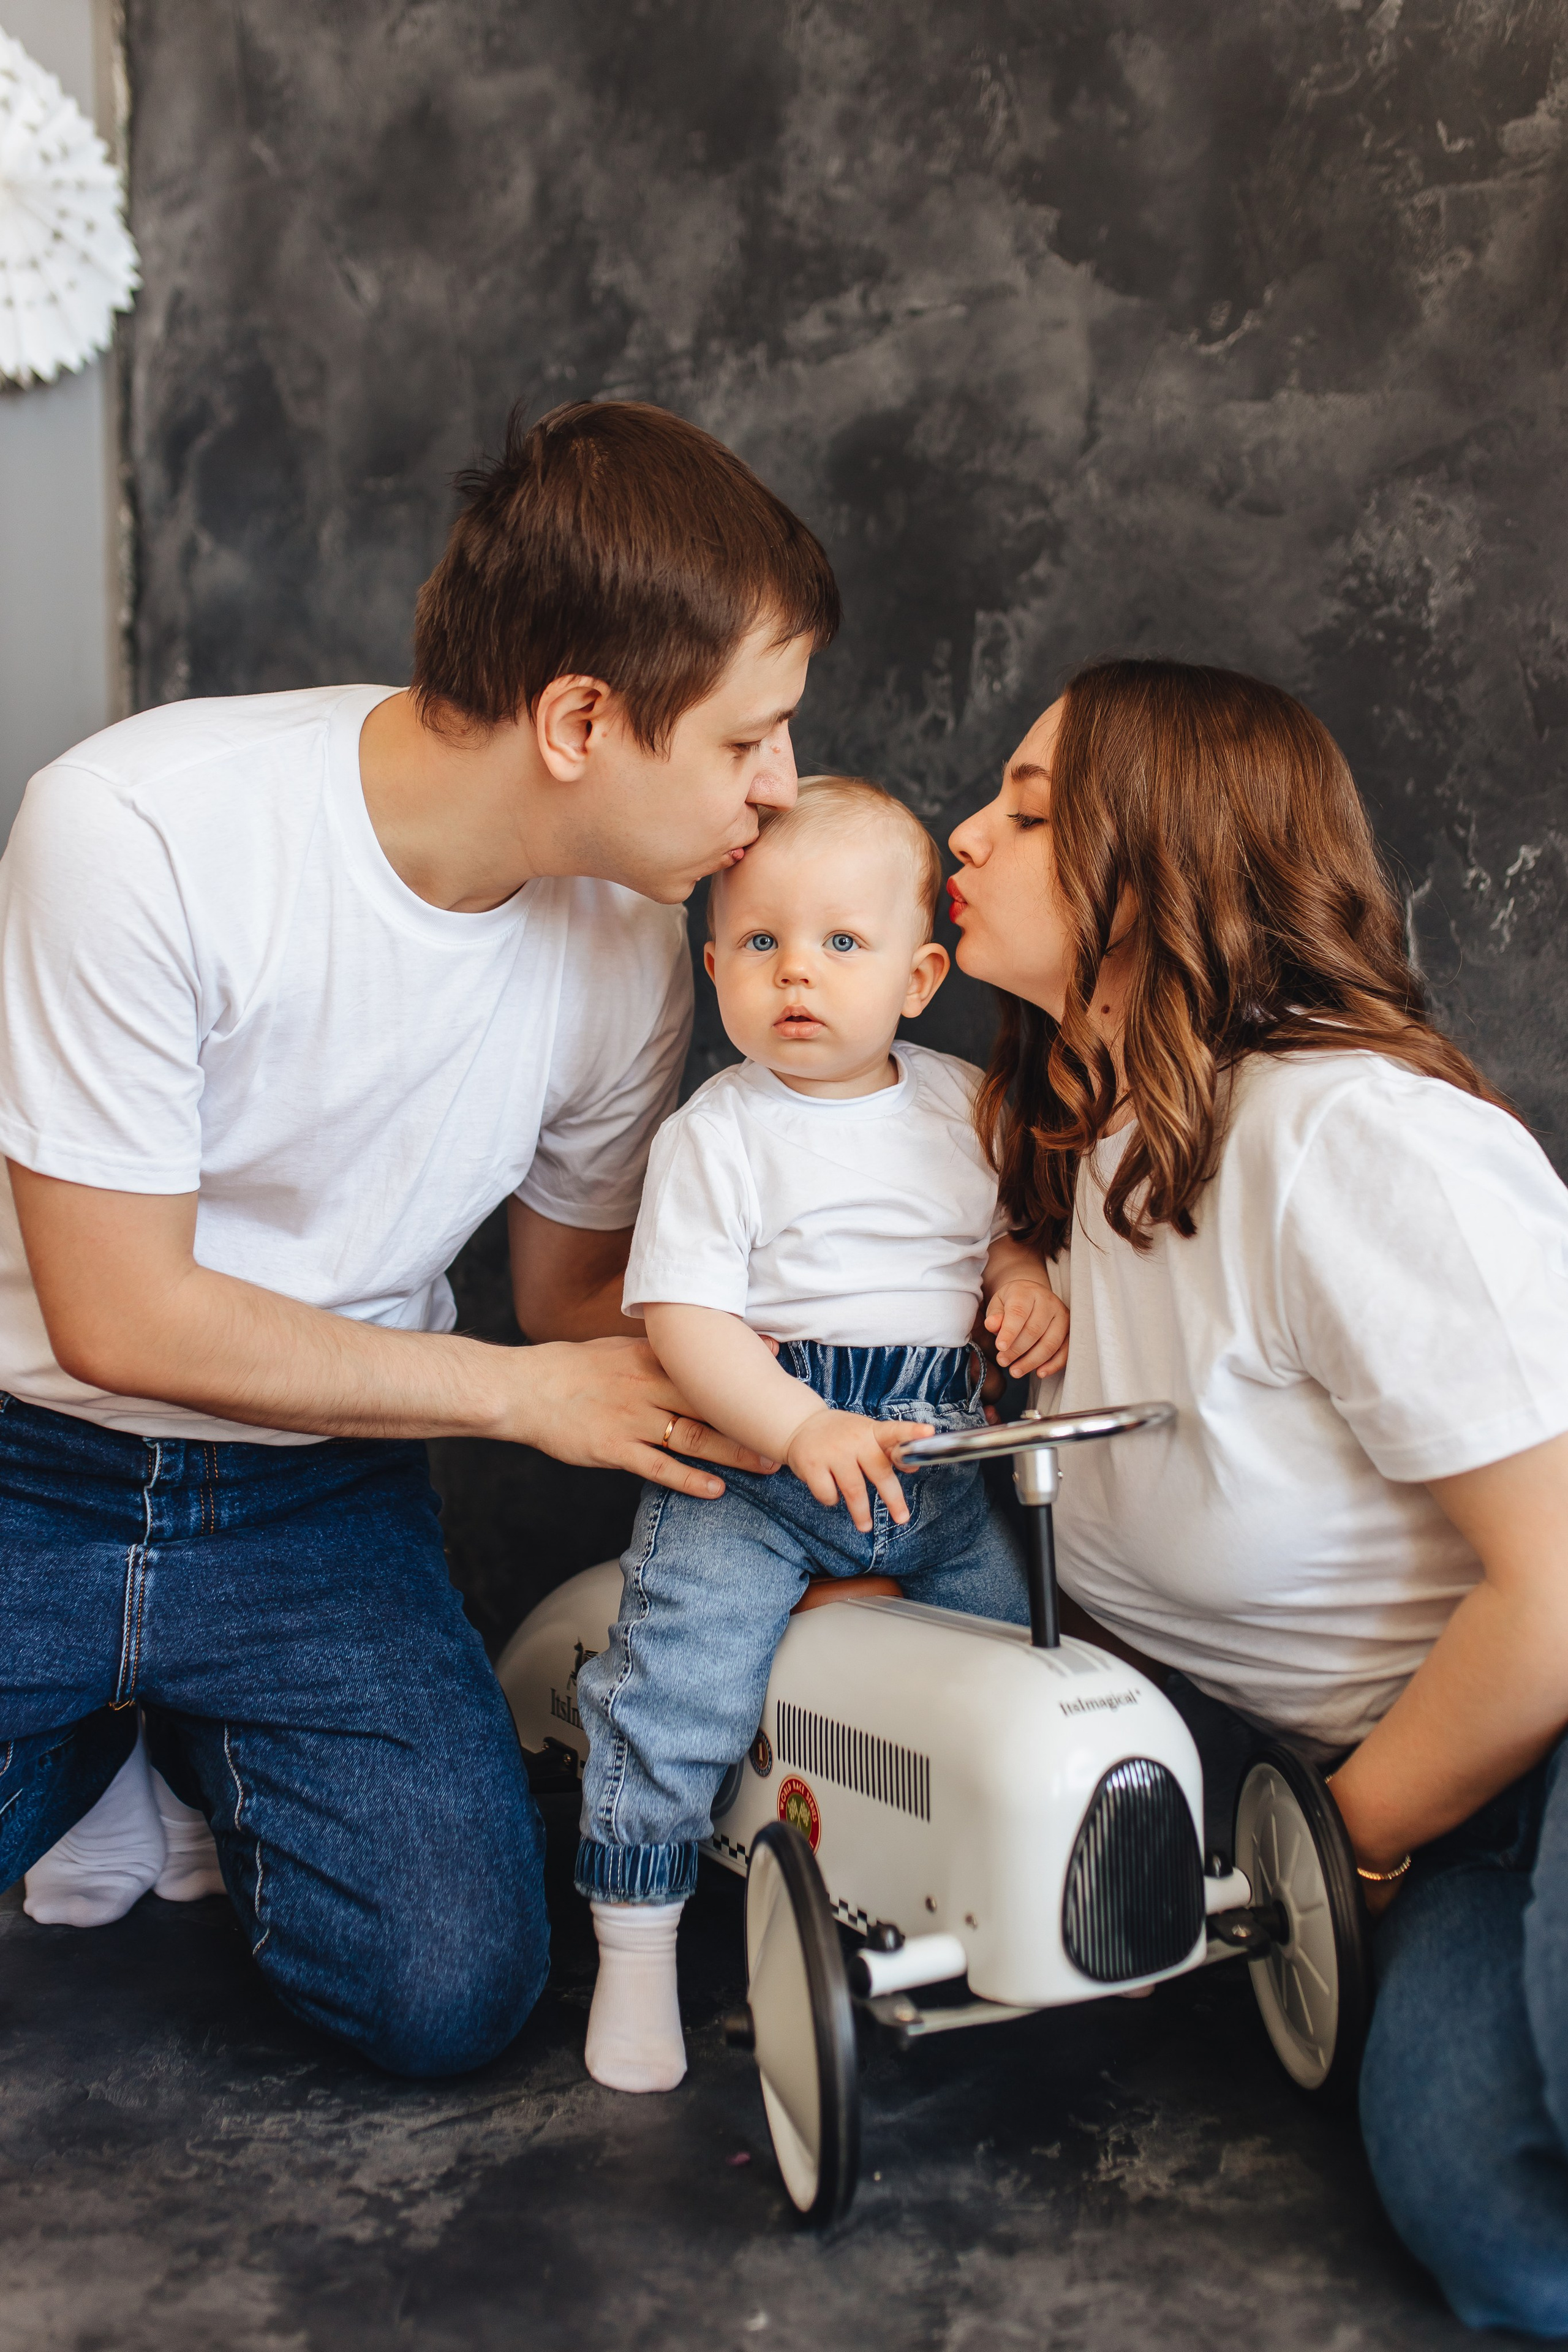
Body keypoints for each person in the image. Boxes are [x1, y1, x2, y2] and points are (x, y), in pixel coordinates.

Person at [0, 399, 840, 2077]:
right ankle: (107, 1739)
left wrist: (833, 1363)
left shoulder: (631, 942)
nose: (782, 787)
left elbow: (572, 1295)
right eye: (750, 738)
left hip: (317, 1496)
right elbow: (119, 1319)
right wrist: (521, 1397)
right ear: (580, 719)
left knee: (452, 1989)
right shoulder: (134, 828)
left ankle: (197, 1734)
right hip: (33, 1464)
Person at [946, 657, 1568, 2334]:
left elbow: (1556, 1586)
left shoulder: (1343, 1138)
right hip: (1430, 1814)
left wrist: (1331, 1858)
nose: (963, 835)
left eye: (1026, 812)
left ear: (1170, 864)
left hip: (1503, 1746)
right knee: (1496, 2228)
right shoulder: (1064, 1159)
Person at [573, 776, 1067, 2092]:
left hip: (937, 1466)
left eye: (841, 942)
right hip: (755, 1470)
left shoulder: (965, 1105)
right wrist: (796, 1425)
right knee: (676, 1683)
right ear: (715, 970)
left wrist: (1021, 1281)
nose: (796, 971)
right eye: (759, 942)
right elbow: (684, 1322)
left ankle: (1006, 1898)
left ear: (918, 977)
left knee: (1010, 1671)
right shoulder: (718, 1134)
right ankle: (636, 1940)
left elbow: (1001, 1234)